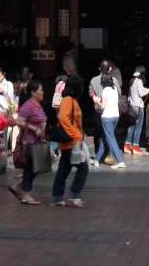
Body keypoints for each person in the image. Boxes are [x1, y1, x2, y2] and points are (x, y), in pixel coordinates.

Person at [51, 75, 89, 207]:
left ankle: (57, 197)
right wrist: (75, 134)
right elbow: (63, 117)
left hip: (71, 142)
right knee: (83, 167)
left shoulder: (72, 99)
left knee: (64, 168)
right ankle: (74, 195)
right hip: (72, 142)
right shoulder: (68, 100)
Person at [10, 80, 47, 205]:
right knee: (31, 168)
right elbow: (19, 121)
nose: (42, 92)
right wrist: (34, 128)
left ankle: (19, 186)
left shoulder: (37, 104)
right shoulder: (28, 106)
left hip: (37, 141)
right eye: (40, 90)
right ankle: (26, 194)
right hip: (29, 141)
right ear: (33, 92)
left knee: (35, 168)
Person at [92, 74, 125, 168]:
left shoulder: (105, 90)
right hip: (115, 116)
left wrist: (96, 100)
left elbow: (102, 106)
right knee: (105, 138)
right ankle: (97, 159)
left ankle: (120, 161)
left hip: (107, 117)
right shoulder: (114, 88)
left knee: (110, 138)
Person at [126, 67, 149, 155]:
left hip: (132, 106)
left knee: (131, 126)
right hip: (138, 107)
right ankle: (135, 147)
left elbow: (131, 96)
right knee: (138, 127)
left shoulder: (131, 81)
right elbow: (141, 93)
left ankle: (127, 146)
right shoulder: (139, 81)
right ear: (141, 74)